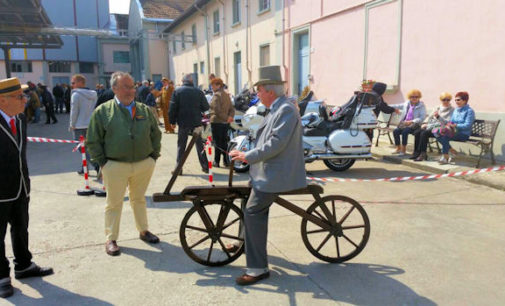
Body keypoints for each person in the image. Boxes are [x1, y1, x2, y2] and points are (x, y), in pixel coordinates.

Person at [229, 66, 306, 286]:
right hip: (268, 170)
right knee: (247, 202)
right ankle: (243, 241)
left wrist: (247, 156)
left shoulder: (285, 110)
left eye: (259, 90)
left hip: (277, 174)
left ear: (270, 91)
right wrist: (245, 151)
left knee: (253, 211)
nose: (257, 94)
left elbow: (276, 144)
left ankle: (257, 269)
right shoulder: (276, 108)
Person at [86, 71, 162, 256]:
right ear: (114, 89)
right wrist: (103, 163)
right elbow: (93, 140)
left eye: (132, 86)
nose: (131, 90)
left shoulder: (144, 110)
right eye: (126, 87)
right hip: (115, 165)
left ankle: (143, 231)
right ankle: (111, 238)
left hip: (143, 163)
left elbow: (155, 134)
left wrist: (153, 157)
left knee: (139, 199)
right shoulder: (103, 112)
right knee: (114, 203)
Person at [0, 77, 54, 298]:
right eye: (19, 96)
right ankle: (2, 276)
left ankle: (23, 265)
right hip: (0, 191)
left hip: (21, 186)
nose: (25, 100)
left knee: (21, 228)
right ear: (2, 100)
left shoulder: (20, 118)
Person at [169, 74, 209, 174]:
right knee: (200, 145)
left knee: (181, 146)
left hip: (183, 122)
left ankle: (179, 169)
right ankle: (205, 166)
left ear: (183, 81)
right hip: (196, 122)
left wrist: (172, 122)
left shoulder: (177, 91)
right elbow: (205, 107)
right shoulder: (199, 92)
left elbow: (172, 108)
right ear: (192, 82)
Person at [410, 92, 454, 161]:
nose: (446, 101)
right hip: (431, 126)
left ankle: (423, 154)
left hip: (440, 129)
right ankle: (416, 152)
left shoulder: (452, 110)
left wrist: (439, 117)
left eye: (448, 100)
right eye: (444, 100)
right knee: (417, 132)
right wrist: (425, 123)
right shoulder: (437, 107)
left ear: (450, 100)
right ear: (441, 100)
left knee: (424, 133)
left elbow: (447, 122)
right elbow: (430, 116)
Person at [435, 91, 475, 164]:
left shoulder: (469, 111)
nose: (456, 101)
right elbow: (451, 122)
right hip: (453, 132)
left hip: (463, 134)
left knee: (444, 137)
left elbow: (467, 125)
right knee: (437, 134)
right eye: (455, 100)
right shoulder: (456, 110)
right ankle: (451, 151)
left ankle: (445, 157)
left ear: (465, 100)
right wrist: (439, 117)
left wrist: (456, 125)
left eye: (458, 100)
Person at [69, 74, 98, 174]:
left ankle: (96, 166)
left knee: (81, 148)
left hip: (79, 125)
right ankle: (84, 168)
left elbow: (74, 112)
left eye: (73, 83)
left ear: (80, 83)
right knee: (87, 147)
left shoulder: (75, 95)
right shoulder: (93, 94)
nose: (72, 85)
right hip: (90, 124)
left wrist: (72, 125)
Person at [391, 89, 426, 155]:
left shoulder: (421, 106)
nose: (414, 98)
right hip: (404, 124)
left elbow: (422, 118)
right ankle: (398, 148)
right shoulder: (407, 103)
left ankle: (403, 149)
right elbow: (397, 106)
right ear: (409, 97)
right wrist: (386, 106)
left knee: (405, 131)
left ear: (419, 97)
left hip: (414, 124)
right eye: (412, 97)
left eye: (416, 97)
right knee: (395, 131)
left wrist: (412, 121)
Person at [209, 77, 234, 167]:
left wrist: (226, 118)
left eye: (213, 85)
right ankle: (226, 161)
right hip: (225, 123)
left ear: (218, 85)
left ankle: (216, 161)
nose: (211, 87)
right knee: (224, 141)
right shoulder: (226, 94)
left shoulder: (217, 95)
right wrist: (230, 117)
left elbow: (216, 110)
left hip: (217, 121)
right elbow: (232, 108)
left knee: (217, 142)